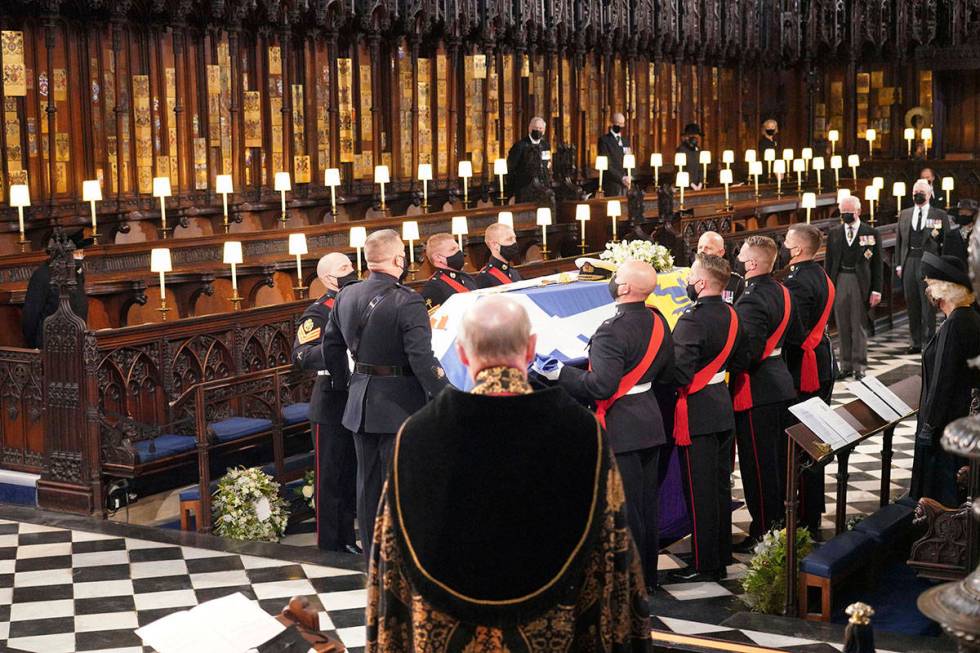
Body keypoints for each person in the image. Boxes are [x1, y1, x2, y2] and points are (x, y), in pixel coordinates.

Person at [365, 296, 652, 651]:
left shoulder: (417, 435)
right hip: (554, 628)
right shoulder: (581, 432)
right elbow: (612, 550)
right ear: (531, 348)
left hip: (444, 629)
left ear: (463, 353)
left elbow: (390, 560)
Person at [319, 229, 449, 560]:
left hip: (360, 402)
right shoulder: (408, 300)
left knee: (367, 486)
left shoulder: (346, 296)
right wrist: (444, 395)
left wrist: (344, 384)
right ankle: (404, 554)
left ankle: (373, 555)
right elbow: (421, 358)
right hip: (400, 405)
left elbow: (331, 347)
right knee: (403, 483)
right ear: (397, 259)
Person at [555, 260, 674, 590]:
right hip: (650, 421)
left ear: (623, 288)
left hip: (622, 426)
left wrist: (560, 374)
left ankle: (631, 580)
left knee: (627, 508)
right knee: (646, 505)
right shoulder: (658, 319)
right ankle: (646, 575)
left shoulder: (611, 329)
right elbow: (667, 370)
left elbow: (600, 387)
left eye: (617, 276)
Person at [669, 254, 741, 582]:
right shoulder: (731, 313)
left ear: (702, 283)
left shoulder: (692, 320)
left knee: (699, 492)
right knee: (719, 486)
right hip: (722, 407)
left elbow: (681, 373)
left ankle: (705, 563)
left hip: (697, 411)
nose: (689, 281)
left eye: (692, 276)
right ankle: (721, 552)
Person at [730, 235, 801, 550]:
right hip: (781, 382)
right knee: (776, 462)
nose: (738, 258)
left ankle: (764, 529)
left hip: (758, 389)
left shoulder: (751, 298)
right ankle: (779, 524)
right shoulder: (782, 291)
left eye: (742, 255)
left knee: (758, 465)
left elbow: (749, 351)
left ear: (753, 263)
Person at [291, 253, 359, 554]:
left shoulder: (359, 301)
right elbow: (302, 355)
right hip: (330, 399)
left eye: (351, 265)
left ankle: (347, 538)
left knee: (350, 474)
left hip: (357, 395)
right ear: (328, 278)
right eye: (344, 268)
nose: (352, 270)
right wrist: (338, 352)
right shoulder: (318, 312)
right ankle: (330, 545)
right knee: (330, 477)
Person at [910, 253, 980, 507]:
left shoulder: (956, 324)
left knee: (940, 499)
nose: (927, 288)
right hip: (960, 422)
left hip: (946, 429)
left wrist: (928, 427)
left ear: (944, 288)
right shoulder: (968, 317)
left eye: (930, 282)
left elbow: (943, 380)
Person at [781, 224, 836, 536]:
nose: (785, 242)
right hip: (821, 359)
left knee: (805, 440)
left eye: (788, 239)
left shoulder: (798, 281)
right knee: (815, 438)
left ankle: (807, 513)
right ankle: (812, 508)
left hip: (805, 367)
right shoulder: (818, 274)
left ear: (798, 249)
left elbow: (793, 329)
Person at [825, 195, 882, 380]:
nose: (845, 216)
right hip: (840, 278)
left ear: (858, 211)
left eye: (848, 212)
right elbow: (829, 262)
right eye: (842, 213)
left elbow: (877, 265)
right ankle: (846, 365)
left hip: (860, 282)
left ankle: (860, 366)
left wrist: (876, 290)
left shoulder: (871, 232)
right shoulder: (834, 233)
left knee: (858, 324)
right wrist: (828, 287)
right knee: (842, 324)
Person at [896, 179, 946, 354]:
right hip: (910, 260)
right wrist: (898, 265)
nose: (917, 195)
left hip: (929, 263)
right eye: (914, 192)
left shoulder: (939, 215)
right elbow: (899, 243)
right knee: (912, 303)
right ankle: (915, 341)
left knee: (928, 305)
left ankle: (929, 340)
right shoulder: (905, 214)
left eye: (921, 193)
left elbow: (945, 243)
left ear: (929, 194)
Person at [22, 229, 92, 348]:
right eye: (77, 254)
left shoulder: (76, 273)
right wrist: (35, 345)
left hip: (76, 343)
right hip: (50, 345)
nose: (80, 258)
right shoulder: (42, 275)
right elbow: (31, 317)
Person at [419, 232, 479, 312]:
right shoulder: (433, 287)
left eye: (458, 248)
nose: (459, 252)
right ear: (438, 258)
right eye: (453, 249)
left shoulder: (467, 278)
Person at [505, 116, 551, 202]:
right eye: (536, 128)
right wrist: (512, 193)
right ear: (530, 129)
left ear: (544, 131)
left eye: (540, 128)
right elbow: (511, 168)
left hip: (542, 187)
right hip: (523, 189)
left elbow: (547, 164)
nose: (538, 130)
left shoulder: (545, 145)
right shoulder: (520, 146)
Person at [697, 231, 744, 303]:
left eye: (708, 248)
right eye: (700, 247)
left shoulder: (735, 282)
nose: (702, 251)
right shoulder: (688, 278)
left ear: (721, 252)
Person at [477, 222, 522, 287]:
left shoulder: (514, 272)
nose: (514, 243)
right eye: (509, 239)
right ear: (494, 244)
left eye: (515, 238)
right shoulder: (484, 277)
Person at [597, 112, 631, 196]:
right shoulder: (604, 140)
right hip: (612, 184)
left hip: (626, 183)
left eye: (622, 124)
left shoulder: (625, 141)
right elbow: (606, 165)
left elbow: (629, 159)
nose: (620, 126)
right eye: (618, 123)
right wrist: (621, 178)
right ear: (612, 123)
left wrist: (629, 176)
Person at [943, 199, 977, 267]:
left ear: (974, 214)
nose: (963, 214)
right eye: (961, 212)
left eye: (967, 212)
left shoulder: (977, 235)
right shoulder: (950, 235)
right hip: (955, 273)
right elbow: (945, 258)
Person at [676, 123, 704, 189]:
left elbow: (701, 168)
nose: (695, 139)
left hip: (698, 186)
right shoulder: (681, 150)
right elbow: (681, 169)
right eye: (692, 136)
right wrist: (691, 184)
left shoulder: (698, 150)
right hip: (685, 186)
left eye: (696, 136)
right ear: (686, 137)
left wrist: (700, 183)